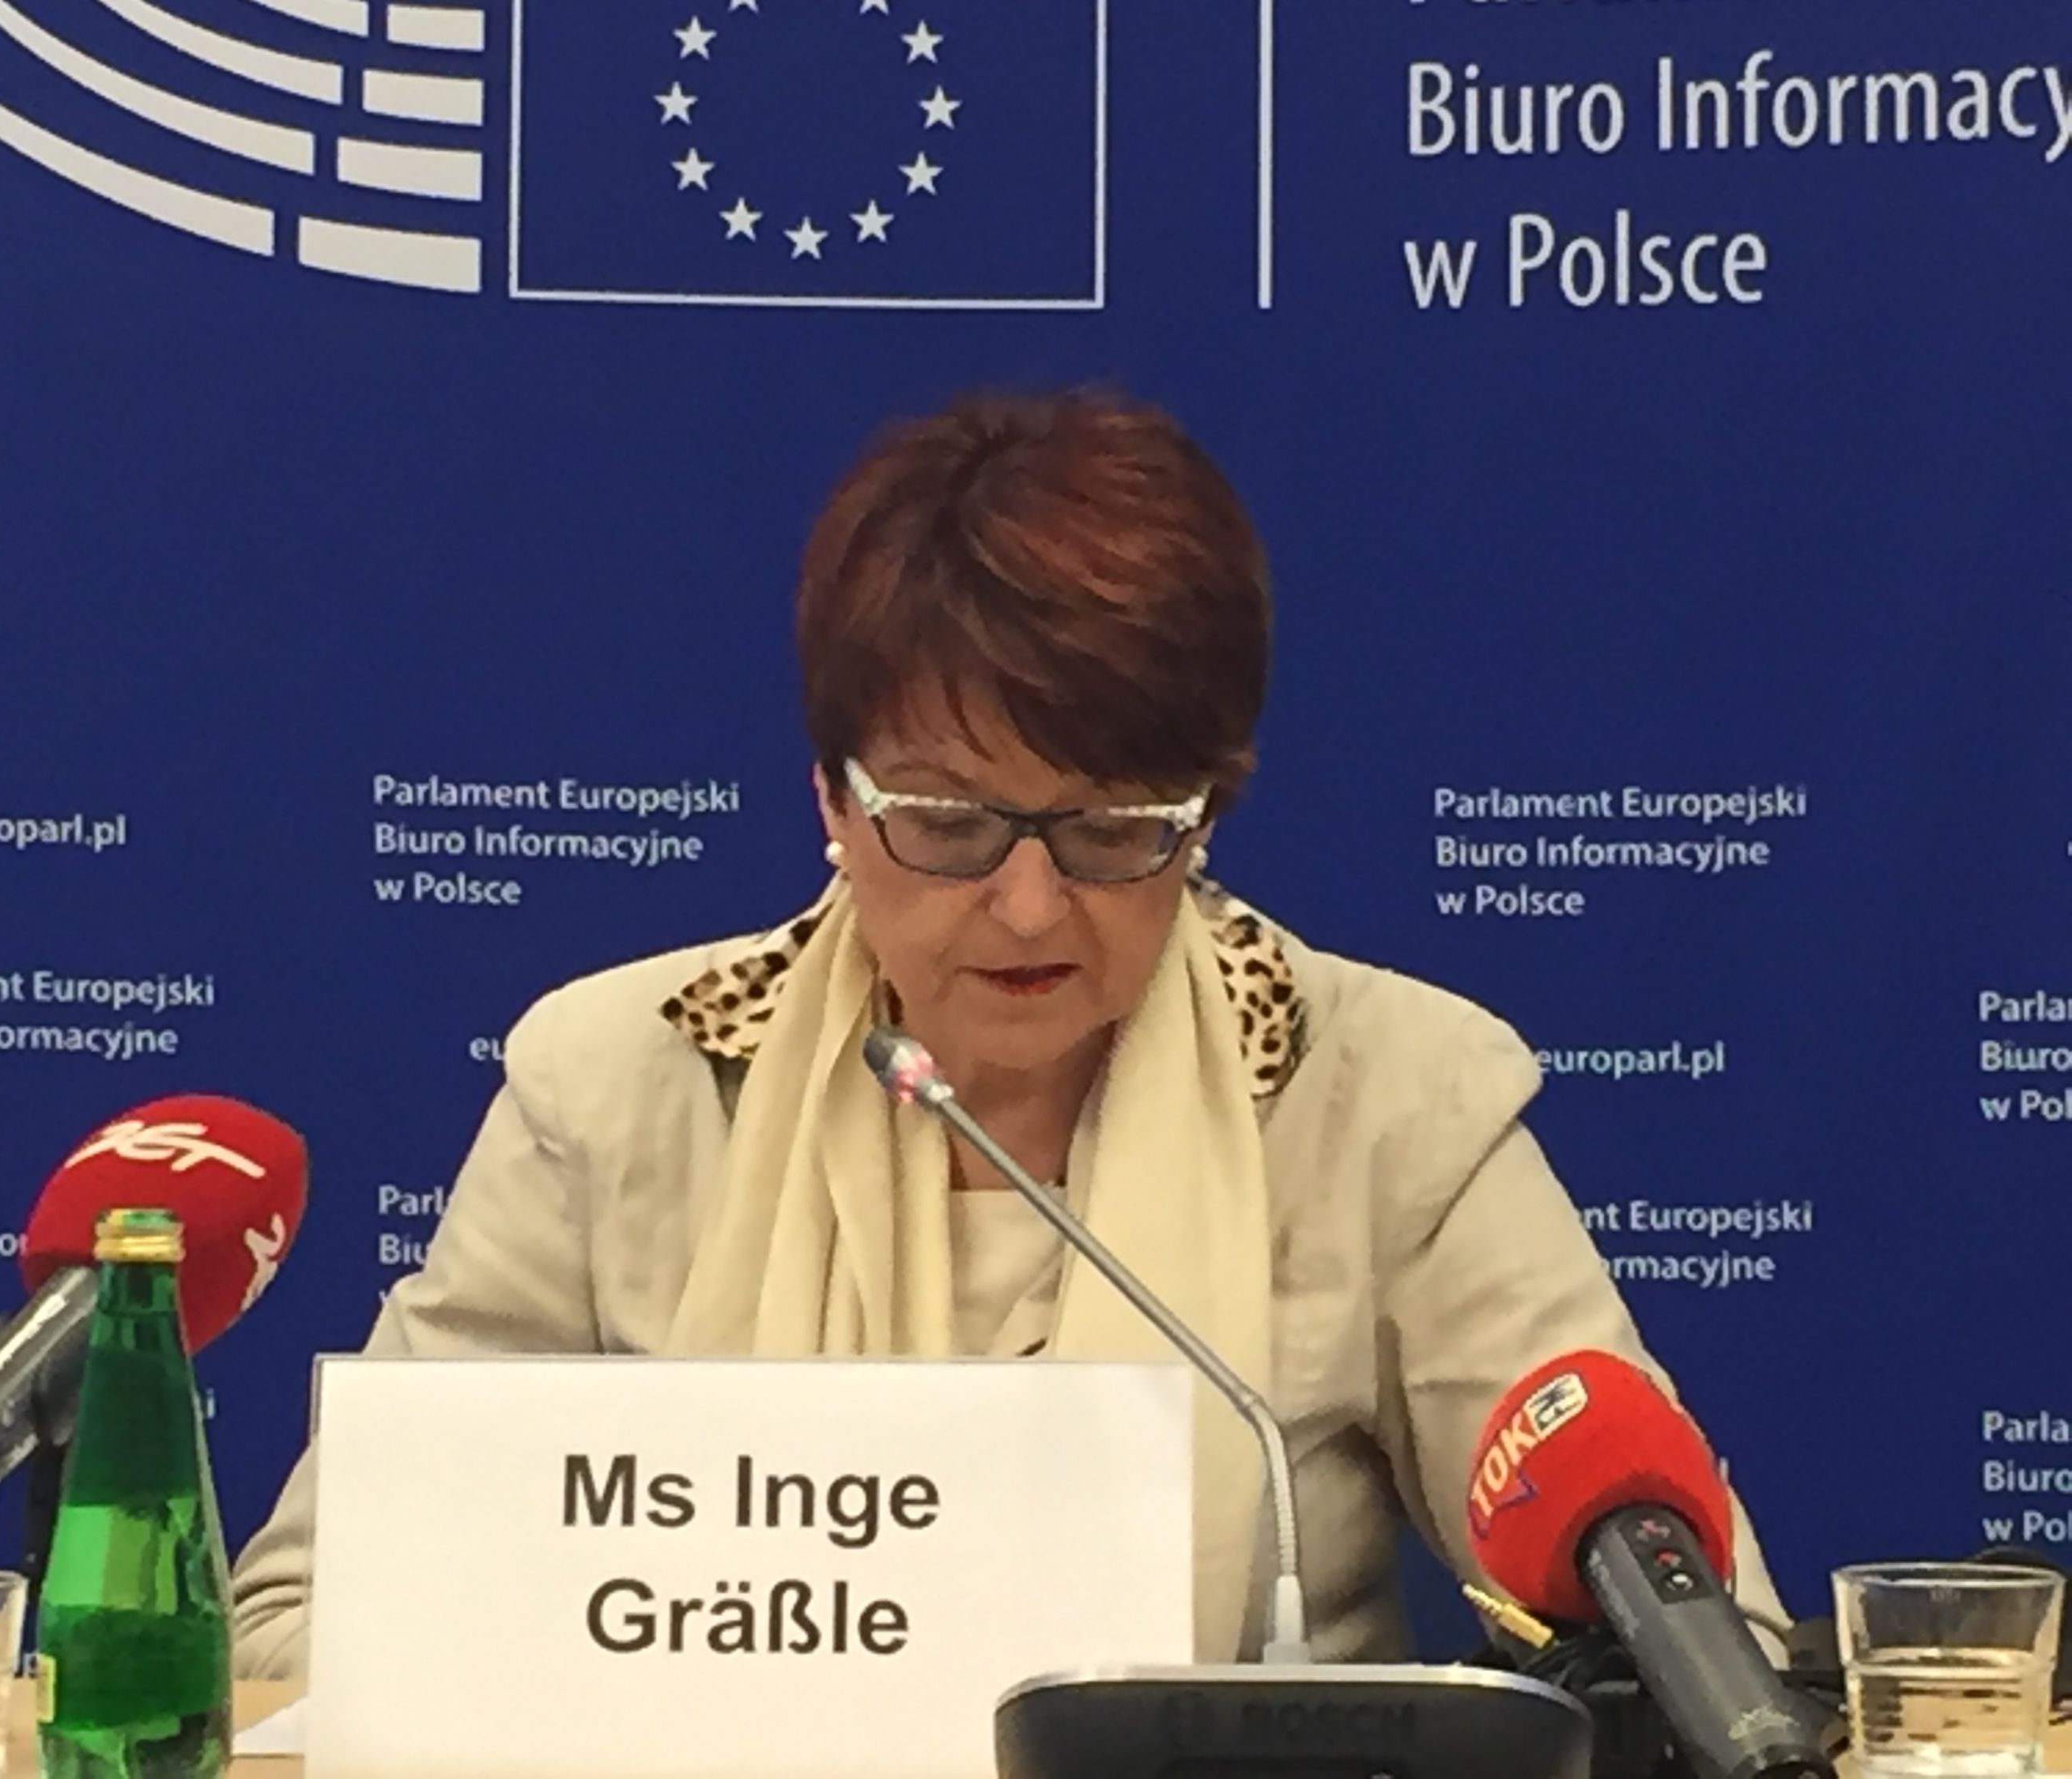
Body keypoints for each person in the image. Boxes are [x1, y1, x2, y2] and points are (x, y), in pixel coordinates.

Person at [228, 387, 1787, 1674]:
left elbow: (1696, 1647)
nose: (1031, 907)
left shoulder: (1386, 1099)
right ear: (832, 799)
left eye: (1114, 831)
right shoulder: (620, 1086)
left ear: (1208, 810)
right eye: (950, 824)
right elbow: (298, 1625)